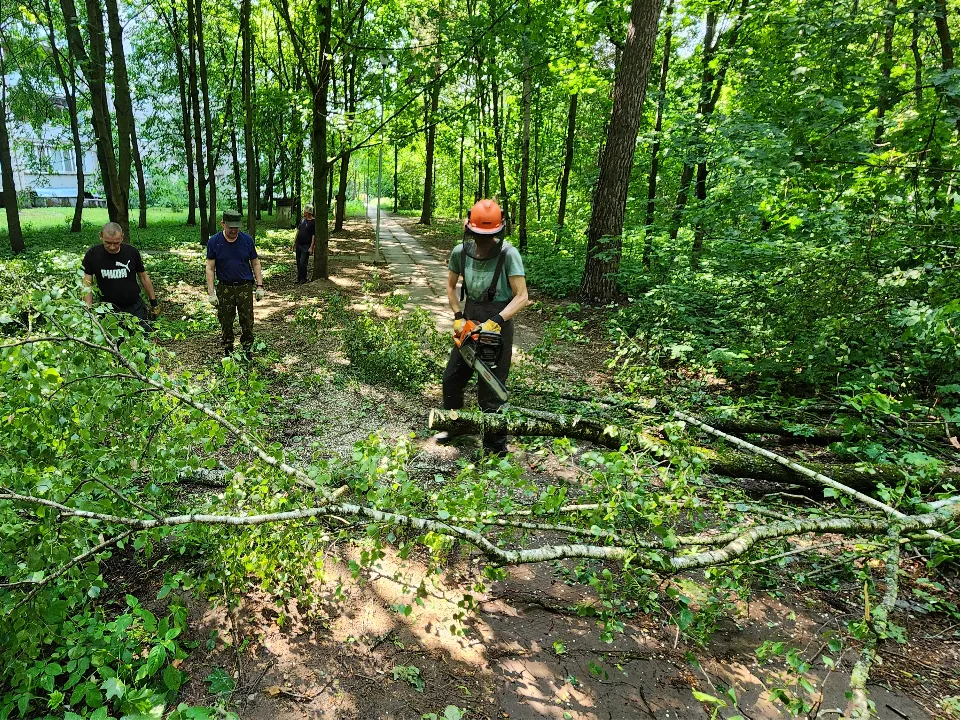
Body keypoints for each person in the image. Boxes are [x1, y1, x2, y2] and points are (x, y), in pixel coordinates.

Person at [436, 199, 529, 454]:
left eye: (488, 236)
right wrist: (457, 315)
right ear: (470, 230)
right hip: (470, 316)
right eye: (478, 235)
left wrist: (497, 321)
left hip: (499, 320)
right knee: (452, 378)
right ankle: (456, 427)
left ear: (499, 232)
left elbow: (522, 296)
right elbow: (450, 285)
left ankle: (495, 447)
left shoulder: (509, 255)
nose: (483, 240)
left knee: (491, 387)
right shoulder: (460, 252)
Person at [205, 209, 264, 357]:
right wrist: (211, 293)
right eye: (230, 227)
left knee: (247, 320)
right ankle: (228, 349)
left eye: (236, 227)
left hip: (244, 286)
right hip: (225, 287)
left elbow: (255, 263)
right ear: (223, 224)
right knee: (225, 320)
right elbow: (210, 268)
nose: (233, 230)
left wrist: (260, 285)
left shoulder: (247, 240)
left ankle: (247, 349)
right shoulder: (214, 242)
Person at [82, 222, 159, 330]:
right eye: (108, 243)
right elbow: (87, 284)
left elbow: (143, 277)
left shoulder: (131, 252)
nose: (112, 247)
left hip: (134, 306)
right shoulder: (93, 254)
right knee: (113, 342)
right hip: (107, 308)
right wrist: (88, 310)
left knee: (141, 338)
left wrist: (153, 303)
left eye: (116, 243)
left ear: (122, 238)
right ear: (100, 236)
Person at [293, 204, 315, 284]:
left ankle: (304, 278)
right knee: (298, 262)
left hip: (306, 245)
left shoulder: (313, 222)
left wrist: (311, 247)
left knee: (303, 263)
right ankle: (299, 278)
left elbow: (313, 235)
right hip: (299, 244)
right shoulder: (302, 220)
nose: (303, 212)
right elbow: (298, 231)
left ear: (308, 212)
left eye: (305, 211)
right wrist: (294, 242)